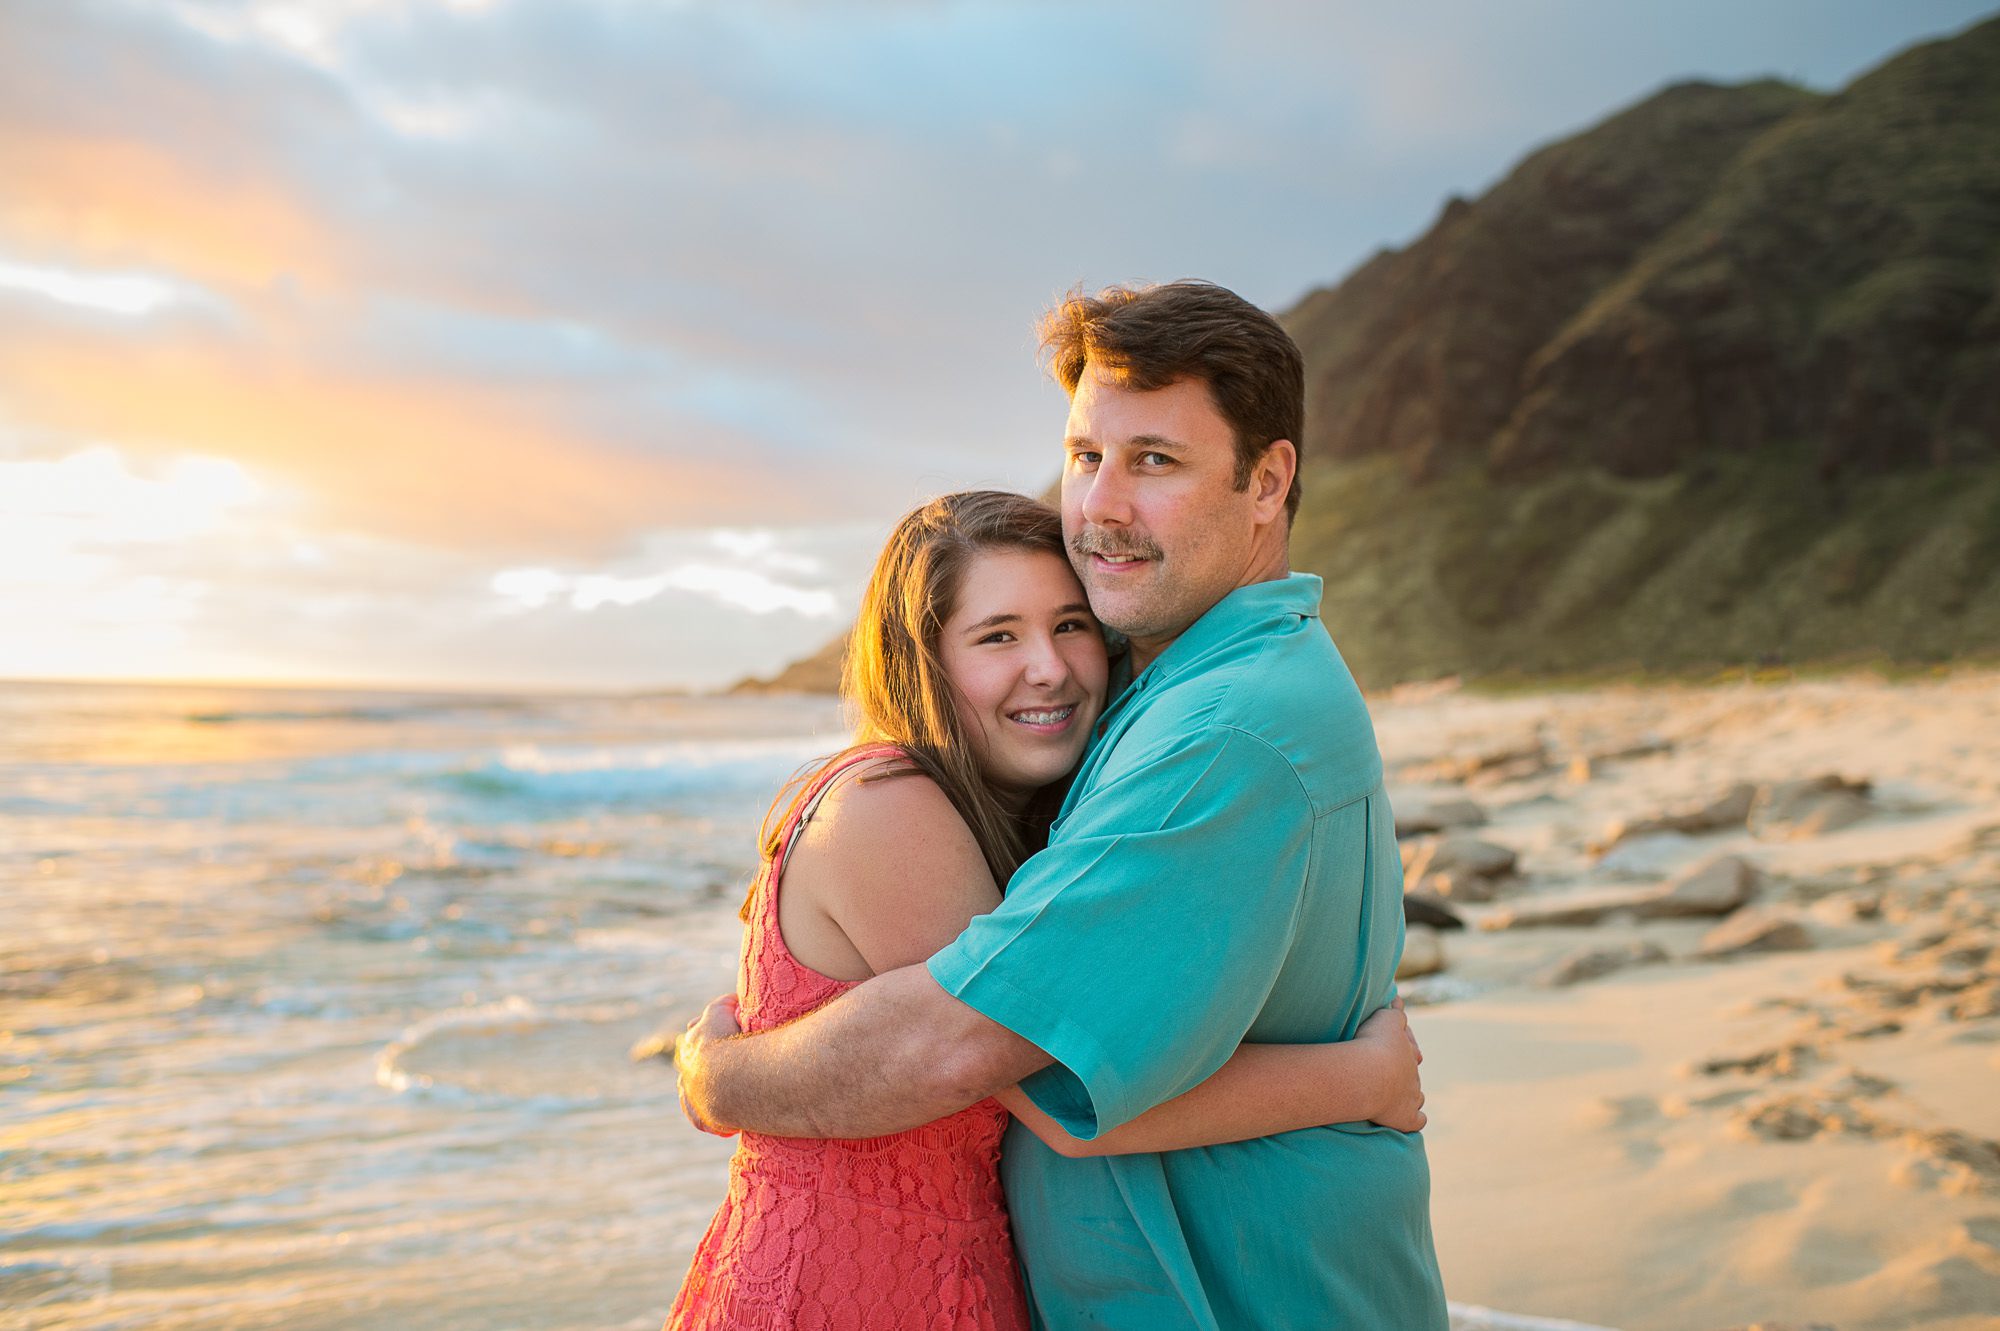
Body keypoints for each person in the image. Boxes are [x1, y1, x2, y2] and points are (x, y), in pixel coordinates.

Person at [678, 282, 1448, 1330]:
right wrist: (1354, 1078)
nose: (1102, 505)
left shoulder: (1220, 727)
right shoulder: (1163, 690)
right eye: (1087, 455)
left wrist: (718, 1078)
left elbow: (976, 1049)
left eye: (1155, 461)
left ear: (1266, 482)